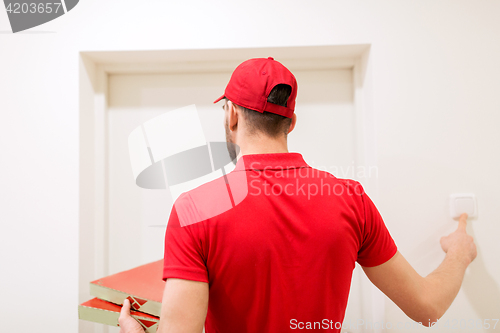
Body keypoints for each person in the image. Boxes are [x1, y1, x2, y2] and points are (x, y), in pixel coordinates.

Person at [118, 57, 477, 333]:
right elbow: (427, 308)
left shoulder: (195, 209)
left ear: (230, 115)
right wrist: (459, 253)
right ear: (290, 122)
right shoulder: (350, 199)